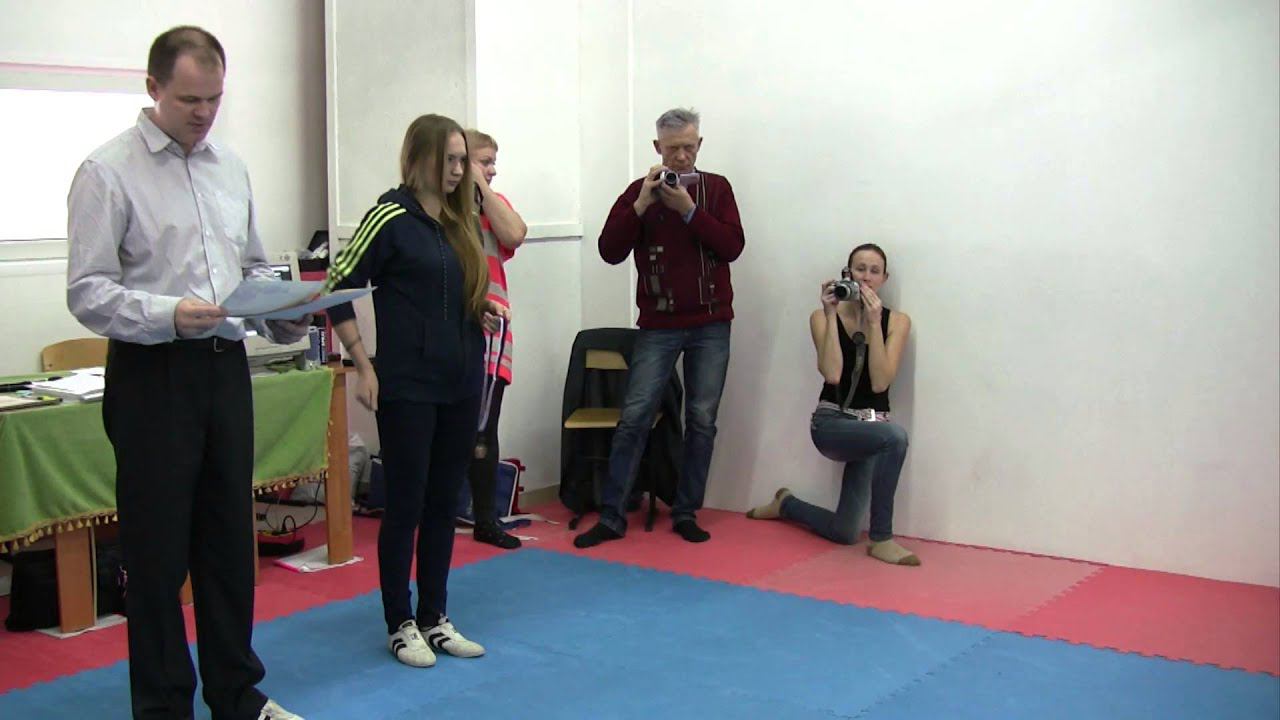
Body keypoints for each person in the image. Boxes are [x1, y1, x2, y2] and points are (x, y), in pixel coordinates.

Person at [65, 26, 306, 720]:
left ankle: (236, 693)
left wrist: (285, 312)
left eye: (215, 99)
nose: (204, 113)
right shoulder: (107, 172)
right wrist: (169, 314)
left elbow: (251, 267)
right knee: (157, 554)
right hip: (153, 374)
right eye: (189, 100)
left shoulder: (231, 167)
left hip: (225, 369)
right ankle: (164, 706)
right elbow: (87, 291)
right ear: (153, 89)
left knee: (229, 542)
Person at [325, 114, 509, 668]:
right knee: (405, 504)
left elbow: (453, 292)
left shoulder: (459, 220)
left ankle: (434, 615)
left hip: (461, 379)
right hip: (407, 383)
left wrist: (481, 310)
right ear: (419, 159)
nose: (458, 171)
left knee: (443, 503)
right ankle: (399, 622)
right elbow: (337, 286)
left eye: (463, 161)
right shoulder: (389, 216)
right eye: (450, 160)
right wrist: (363, 365)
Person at [574, 108, 745, 548]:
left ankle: (686, 511)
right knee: (634, 417)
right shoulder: (640, 192)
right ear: (657, 148)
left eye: (689, 147)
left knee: (702, 420)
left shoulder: (717, 189)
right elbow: (609, 250)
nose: (682, 157)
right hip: (659, 323)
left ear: (700, 144)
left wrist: (690, 211)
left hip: (711, 321)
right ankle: (612, 515)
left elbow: (732, 246)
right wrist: (641, 205)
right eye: (673, 149)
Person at [746, 243, 920, 566]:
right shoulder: (822, 316)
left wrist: (873, 324)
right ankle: (882, 539)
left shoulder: (897, 322)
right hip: (831, 424)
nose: (866, 277)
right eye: (859, 269)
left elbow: (880, 382)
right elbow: (833, 373)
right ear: (847, 274)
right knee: (896, 438)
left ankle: (786, 504)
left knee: (845, 531)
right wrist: (829, 314)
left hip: (872, 427)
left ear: (884, 279)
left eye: (874, 271)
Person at [464, 128, 527, 550]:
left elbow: (515, 233)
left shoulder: (491, 204)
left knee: (485, 429)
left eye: (493, 162)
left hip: (493, 335)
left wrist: (482, 188)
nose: (493, 169)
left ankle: (486, 519)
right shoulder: (441, 210)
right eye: (484, 162)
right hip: (456, 331)